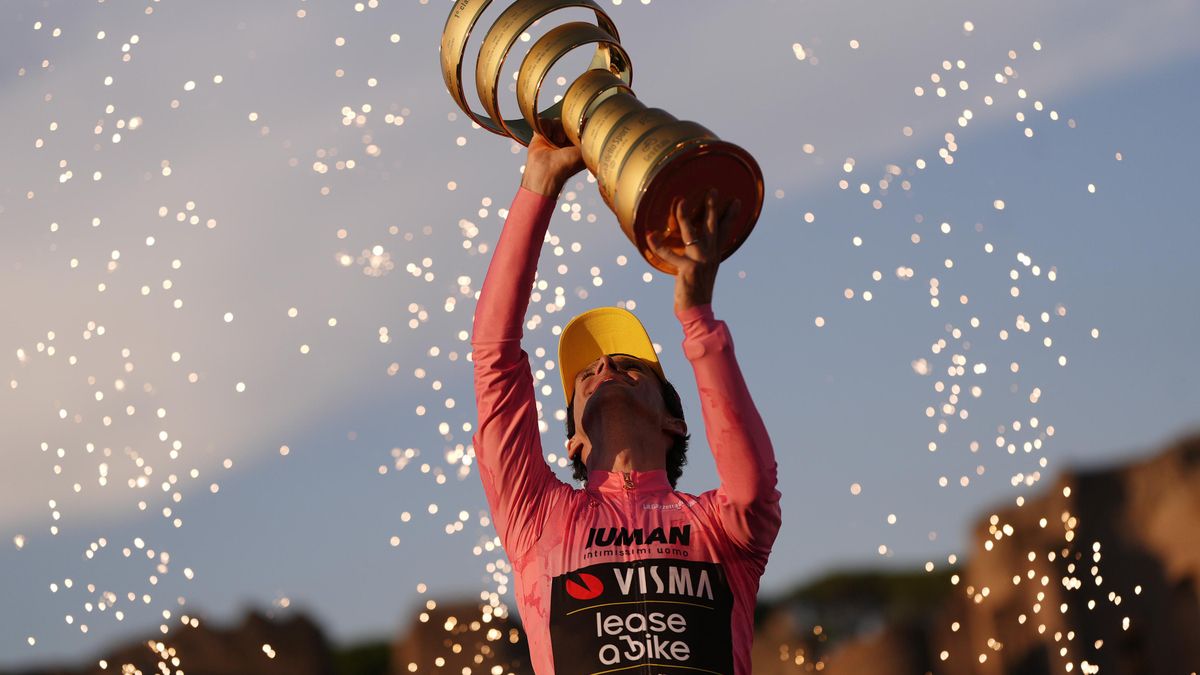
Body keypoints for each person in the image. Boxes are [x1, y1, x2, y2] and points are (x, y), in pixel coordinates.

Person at [471, 132, 781, 675]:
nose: (605, 368)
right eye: (587, 374)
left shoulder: (721, 524)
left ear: (674, 422)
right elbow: (494, 358)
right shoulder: (538, 516)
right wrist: (539, 184)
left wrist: (698, 318)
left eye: (630, 366)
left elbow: (753, 484)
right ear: (574, 439)